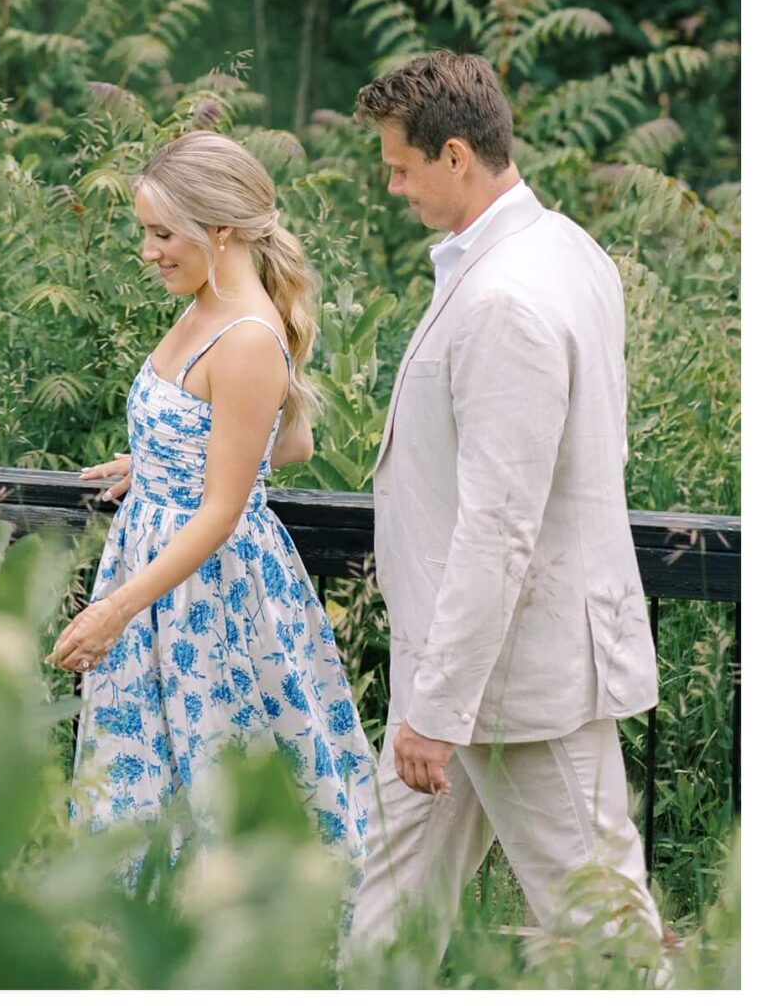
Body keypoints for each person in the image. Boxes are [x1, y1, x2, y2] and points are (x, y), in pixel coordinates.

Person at [344, 49, 667, 976]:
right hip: (448, 672)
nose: (393, 187)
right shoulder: (562, 249)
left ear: (455, 154)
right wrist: (430, 697)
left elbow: (501, 523)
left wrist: (435, 712)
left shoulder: (507, 297)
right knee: (390, 915)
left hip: (519, 686)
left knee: (607, 932)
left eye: (400, 167)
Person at [51, 129, 372, 883]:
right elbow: (282, 444)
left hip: (205, 594)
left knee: (212, 786)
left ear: (219, 229)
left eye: (163, 233)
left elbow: (225, 509)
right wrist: (164, 457)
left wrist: (112, 611)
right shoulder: (204, 305)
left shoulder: (247, 336)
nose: (147, 250)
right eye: (146, 232)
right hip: (161, 569)